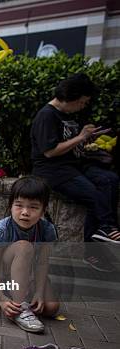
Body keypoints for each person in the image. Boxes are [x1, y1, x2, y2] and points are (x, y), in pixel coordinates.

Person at [30, 74, 120, 260]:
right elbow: (50, 151)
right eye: (82, 102)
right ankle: (106, 230)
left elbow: (70, 142)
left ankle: (102, 233)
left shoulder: (67, 115)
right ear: (72, 97)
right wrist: (80, 137)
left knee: (110, 180)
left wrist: (87, 139)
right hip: (53, 170)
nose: (83, 106)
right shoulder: (46, 115)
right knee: (94, 195)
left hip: (75, 165)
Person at [0, 176, 60, 333]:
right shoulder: (1, 230)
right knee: (24, 247)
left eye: (33, 207)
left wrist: (39, 292)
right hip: (2, 274)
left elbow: (42, 263)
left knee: (51, 308)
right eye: (19, 205)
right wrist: (2, 300)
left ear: (43, 210)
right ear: (11, 206)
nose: (25, 212)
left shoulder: (47, 230)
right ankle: (19, 306)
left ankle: (25, 295)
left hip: (29, 273)